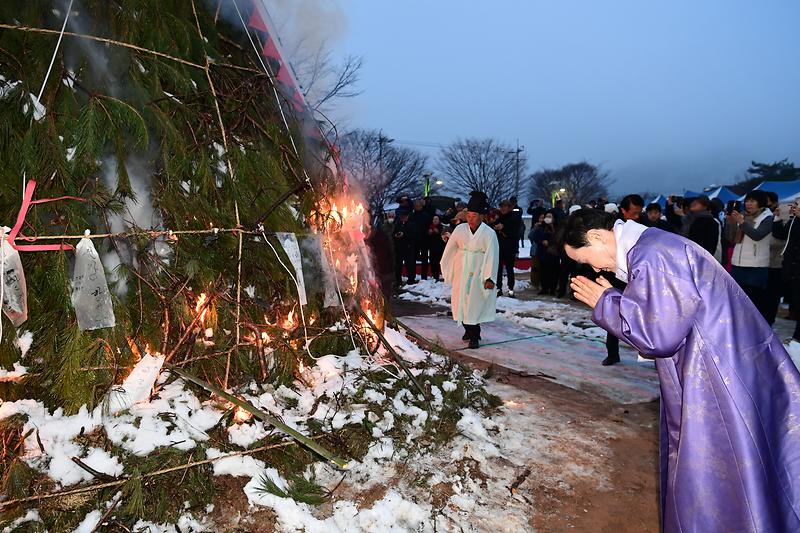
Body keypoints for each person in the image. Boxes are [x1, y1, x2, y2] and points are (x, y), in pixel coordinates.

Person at [562, 208, 800, 532]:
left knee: (715, 470)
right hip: (723, 366)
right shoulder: (654, 247)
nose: (592, 267)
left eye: (586, 258)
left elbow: (659, 336)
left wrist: (606, 302)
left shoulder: (652, 254)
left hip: (717, 379)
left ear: (599, 237)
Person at [440, 191, 499, 349]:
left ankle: (474, 336)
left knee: (473, 304)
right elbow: (450, 250)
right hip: (462, 271)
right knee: (460, 303)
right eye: (469, 216)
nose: (470, 219)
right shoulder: (460, 230)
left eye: (474, 216)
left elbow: (492, 256)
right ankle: (469, 330)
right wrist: (448, 269)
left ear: (481, 216)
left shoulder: (489, 234)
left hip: (478, 273)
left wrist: (489, 278)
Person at [725, 190, 773, 320]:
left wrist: (741, 222)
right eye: (747, 201)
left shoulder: (768, 218)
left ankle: (755, 329)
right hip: (738, 264)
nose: (748, 204)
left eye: (752, 201)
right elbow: (730, 238)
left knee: (754, 302)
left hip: (755, 266)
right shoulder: (743, 216)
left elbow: (757, 235)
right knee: (737, 300)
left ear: (761, 202)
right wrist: (730, 221)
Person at [773, 198, 800, 350]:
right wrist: (777, 218)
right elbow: (780, 234)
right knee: (796, 302)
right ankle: (797, 336)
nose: (793, 207)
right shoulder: (793, 221)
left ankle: (797, 337)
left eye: (796, 205)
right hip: (793, 269)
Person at [491, 200, 522, 297]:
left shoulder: (514, 218)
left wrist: (503, 229)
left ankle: (510, 288)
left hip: (510, 247)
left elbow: (515, 234)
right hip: (499, 247)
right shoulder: (498, 218)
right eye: (501, 206)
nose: (503, 209)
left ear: (510, 208)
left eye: (505, 206)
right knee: (498, 269)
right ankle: (498, 288)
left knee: (509, 269)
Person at [763, 191, 784, 325]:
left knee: (773, 294)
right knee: (765, 294)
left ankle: (769, 320)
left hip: (776, 262)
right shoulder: (765, 215)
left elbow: (781, 238)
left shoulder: (781, 214)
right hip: (764, 261)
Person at [532, 212, 559, 295]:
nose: (548, 218)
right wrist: (542, 241)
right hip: (543, 252)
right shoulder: (540, 227)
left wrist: (550, 242)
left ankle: (553, 289)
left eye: (550, 216)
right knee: (543, 271)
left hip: (554, 253)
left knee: (554, 272)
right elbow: (534, 236)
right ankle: (544, 288)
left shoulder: (557, 228)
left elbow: (559, 238)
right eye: (546, 216)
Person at [391, 209, 417, 286]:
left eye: (404, 217)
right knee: (398, 265)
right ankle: (398, 280)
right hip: (399, 247)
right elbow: (393, 234)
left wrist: (404, 235)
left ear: (407, 217)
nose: (403, 218)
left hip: (408, 247)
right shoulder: (397, 224)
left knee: (410, 264)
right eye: (402, 217)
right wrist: (395, 236)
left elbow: (414, 235)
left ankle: (411, 279)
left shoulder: (411, 225)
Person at [411, 199, 433, 280]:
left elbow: (431, 224)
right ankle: (412, 276)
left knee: (424, 259)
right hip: (415, 240)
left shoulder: (426, 215)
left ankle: (424, 277)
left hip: (425, 239)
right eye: (416, 206)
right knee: (413, 259)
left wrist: (430, 230)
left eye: (419, 206)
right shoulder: (412, 216)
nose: (418, 207)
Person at [427, 215, 446, 281]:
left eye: (436, 219)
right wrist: (429, 234)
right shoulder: (430, 227)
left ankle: (444, 275)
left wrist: (438, 232)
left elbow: (444, 237)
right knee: (433, 263)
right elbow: (426, 238)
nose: (435, 220)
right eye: (433, 219)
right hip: (432, 248)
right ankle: (435, 276)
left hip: (440, 248)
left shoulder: (442, 227)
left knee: (440, 262)